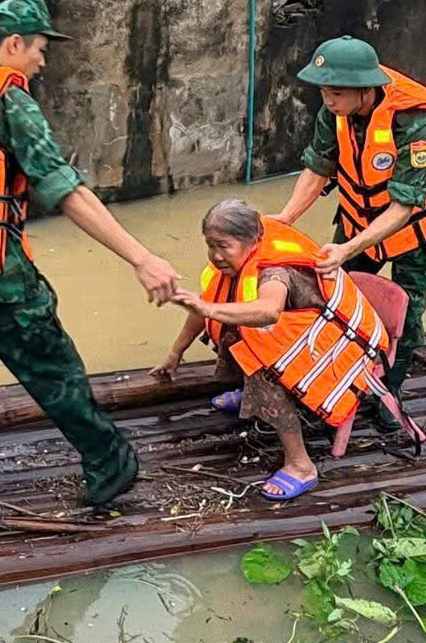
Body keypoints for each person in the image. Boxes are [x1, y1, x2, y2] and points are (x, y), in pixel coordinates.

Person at [0, 0, 181, 508]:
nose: (43, 62)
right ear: (14, 44)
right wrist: (141, 257)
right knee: (54, 369)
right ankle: (110, 465)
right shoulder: (7, 99)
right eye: (40, 50)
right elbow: (64, 190)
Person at [151, 199, 410, 501]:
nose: (216, 255)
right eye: (210, 245)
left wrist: (208, 308)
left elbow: (269, 311)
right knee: (235, 331)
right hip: (303, 338)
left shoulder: (275, 271)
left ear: (252, 240)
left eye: (223, 246)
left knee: (265, 373)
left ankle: (301, 465)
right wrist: (176, 352)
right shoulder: (234, 263)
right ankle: (250, 397)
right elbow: (206, 307)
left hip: (341, 349)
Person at [272, 37, 426, 424]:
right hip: (358, 218)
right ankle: (328, 374)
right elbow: (319, 168)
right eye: (324, 91)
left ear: (366, 88)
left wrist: (349, 249)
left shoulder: (413, 121)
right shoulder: (334, 112)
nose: (328, 100)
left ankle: (390, 391)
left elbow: (404, 204)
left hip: (413, 232)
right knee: (328, 296)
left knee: (407, 313)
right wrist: (285, 219)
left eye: (338, 93)